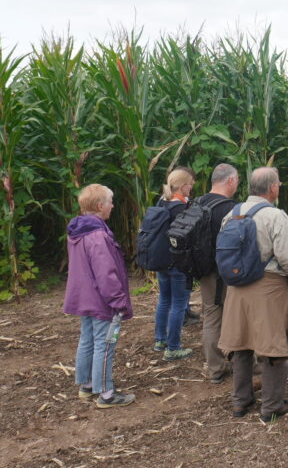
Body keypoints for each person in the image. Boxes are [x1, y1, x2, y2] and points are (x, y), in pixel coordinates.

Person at [218, 167, 288, 421]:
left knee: (241, 344)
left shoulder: (231, 214)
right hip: (270, 288)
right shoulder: (275, 216)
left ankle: (240, 402)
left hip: (236, 288)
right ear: (273, 188)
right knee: (273, 348)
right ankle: (271, 406)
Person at [63, 183, 135, 408]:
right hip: (102, 300)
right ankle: (106, 393)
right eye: (110, 202)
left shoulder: (78, 230)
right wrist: (118, 300)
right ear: (100, 205)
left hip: (84, 297)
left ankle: (86, 385)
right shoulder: (97, 235)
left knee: (87, 339)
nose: (113, 206)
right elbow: (106, 272)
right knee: (105, 344)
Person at [194, 164, 240, 384]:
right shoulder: (231, 208)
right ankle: (242, 363)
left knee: (211, 316)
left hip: (203, 271)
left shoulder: (198, 202)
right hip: (227, 273)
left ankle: (215, 368)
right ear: (230, 181)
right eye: (237, 180)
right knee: (236, 316)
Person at [151, 167, 194, 361]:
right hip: (177, 262)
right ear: (184, 186)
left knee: (164, 300)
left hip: (160, 260)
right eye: (190, 186)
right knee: (178, 304)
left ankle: (160, 340)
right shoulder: (181, 208)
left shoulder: (160, 202)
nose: (191, 189)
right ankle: (173, 347)